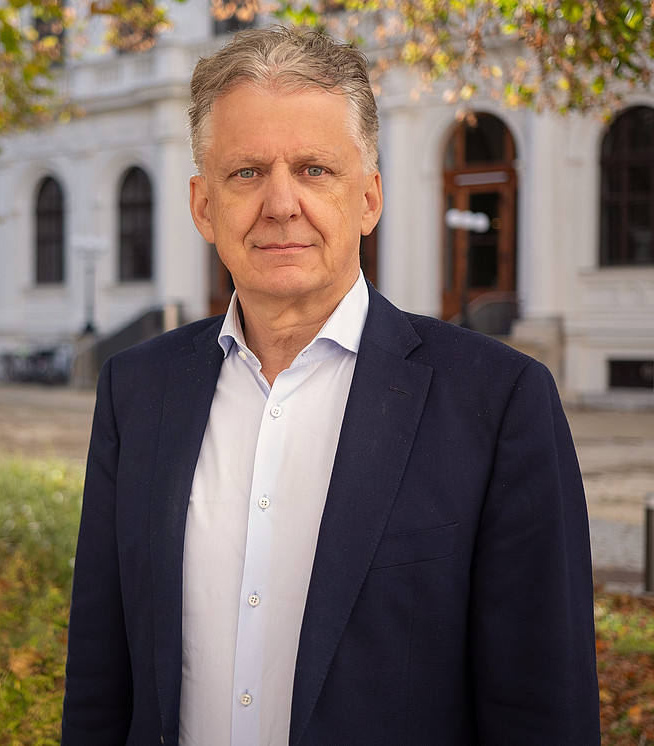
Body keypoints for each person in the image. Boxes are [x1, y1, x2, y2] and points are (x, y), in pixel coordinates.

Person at [61, 26, 599, 746]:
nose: (281, 203)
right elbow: (101, 676)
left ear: (369, 198)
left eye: (314, 169)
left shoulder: (499, 403)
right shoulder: (136, 389)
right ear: (202, 206)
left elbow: (543, 709)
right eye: (246, 172)